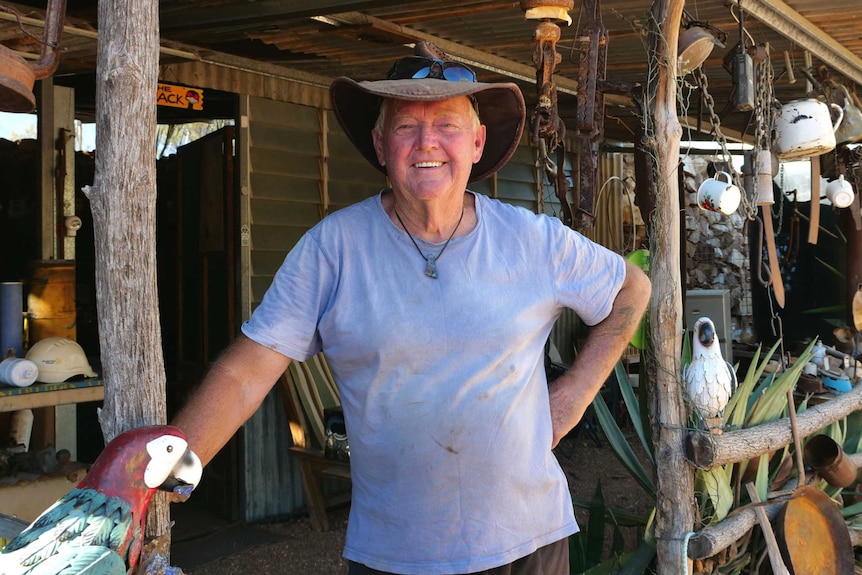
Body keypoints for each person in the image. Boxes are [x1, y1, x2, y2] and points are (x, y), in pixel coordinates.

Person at [172, 45, 651, 575]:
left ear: (476, 142)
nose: (427, 143)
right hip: (394, 554)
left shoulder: (533, 240)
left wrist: (574, 395)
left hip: (527, 543)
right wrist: (162, 480)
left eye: (447, 124)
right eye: (405, 127)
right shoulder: (333, 249)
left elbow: (632, 291)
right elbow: (244, 374)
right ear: (380, 145)